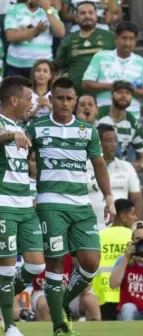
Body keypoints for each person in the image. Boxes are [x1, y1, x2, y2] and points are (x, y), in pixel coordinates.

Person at [25, 77, 116, 336]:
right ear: (51, 99)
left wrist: (109, 198)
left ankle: (63, 302)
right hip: (50, 203)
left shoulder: (87, 131)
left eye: (69, 99)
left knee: (91, 262)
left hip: (82, 205)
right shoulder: (36, 127)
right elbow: (18, 158)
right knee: (54, 264)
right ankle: (59, 325)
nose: (64, 103)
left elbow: (99, 165)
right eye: (60, 98)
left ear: (75, 101)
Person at [0, 76, 46, 336]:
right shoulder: (7, 127)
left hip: (25, 206)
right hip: (4, 202)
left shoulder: (22, 127)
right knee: (5, 268)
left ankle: (2, 294)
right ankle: (10, 326)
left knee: (36, 266)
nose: (32, 104)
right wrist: (10, 135)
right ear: (14, 99)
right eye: (29, 99)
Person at [82, 21, 143, 120]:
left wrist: (130, 89)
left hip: (132, 117)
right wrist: (112, 86)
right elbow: (86, 84)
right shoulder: (100, 57)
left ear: (135, 41)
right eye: (124, 38)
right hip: (103, 115)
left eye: (131, 39)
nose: (127, 43)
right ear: (116, 39)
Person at [55, 1, 115, 97]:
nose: (87, 16)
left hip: (105, 97)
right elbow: (58, 67)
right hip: (76, 97)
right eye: (83, 13)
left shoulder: (110, 37)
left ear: (96, 15)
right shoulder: (68, 39)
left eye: (91, 13)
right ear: (76, 17)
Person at [87, 125, 143, 227]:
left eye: (115, 140)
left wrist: (136, 226)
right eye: (109, 140)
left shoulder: (127, 167)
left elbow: (137, 198)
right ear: (97, 143)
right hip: (91, 227)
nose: (113, 145)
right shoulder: (84, 167)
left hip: (120, 229)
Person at [4, 0, 65, 78]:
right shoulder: (15, 9)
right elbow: (11, 36)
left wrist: (47, 9)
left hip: (42, 67)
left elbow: (60, 33)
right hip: (15, 66)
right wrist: (36, 30)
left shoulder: (51, 11)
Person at [92, 199, 135, 321]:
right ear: (122, 216)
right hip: (127, 294)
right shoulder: (134, 236)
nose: (135, 217)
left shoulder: (99, 236)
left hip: (102, 294)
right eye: (132, 214)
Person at [31, 254, 101, 322]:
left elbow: (86, 285)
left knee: (91, 301)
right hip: (44, 293)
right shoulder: (38, 252)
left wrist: (83, 284)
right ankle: (47, 332)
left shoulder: (72, 254)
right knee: (43, 303)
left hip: (69, 292)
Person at [96, 81, 143, 170]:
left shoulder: (133, 124)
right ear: (111, 96)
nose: (124, 95)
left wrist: (140, 164)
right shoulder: (97, 115)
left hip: (119, 170)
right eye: (119, 92)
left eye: (128, 93)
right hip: (96, 165)